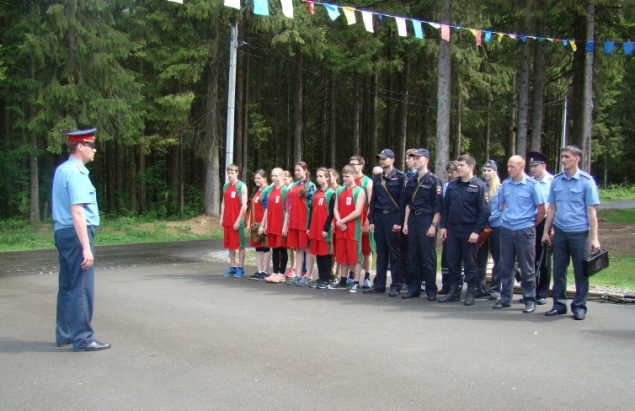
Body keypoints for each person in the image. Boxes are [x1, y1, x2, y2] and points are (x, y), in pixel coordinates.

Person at [52, 128, 110, 351]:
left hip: (63, 231)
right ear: (80, 147)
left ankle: (66, 332)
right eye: (91, 146)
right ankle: (84, 338)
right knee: (82, 287)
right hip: (77, 233)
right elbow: (77, 211)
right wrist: (86, 247)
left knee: (67, 285)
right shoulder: (76, 173)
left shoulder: (62, 170)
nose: (94, 151)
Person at [542, 145, 601, 321]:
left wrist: (594, 238)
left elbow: (591, 211)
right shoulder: (557, 181)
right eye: (562, 156)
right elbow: (552, 207)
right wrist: (546, 232)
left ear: (577, 159)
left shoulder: (586, 181)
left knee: (581, 271)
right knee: (559, 270)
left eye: (567, 156)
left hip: (579, 232)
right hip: (560, 232)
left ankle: (579, 306)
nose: (564, 160)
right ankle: (559, 305)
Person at [493, 156, 546, 313]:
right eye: (508, 166)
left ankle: (530, 299)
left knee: (527, 267)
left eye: (512, 167)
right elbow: (503, 205)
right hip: (507, 229)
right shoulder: (505, 185)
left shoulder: (532, 185)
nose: (509, 169)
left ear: (522, 167)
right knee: (506, 266)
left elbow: (542, 210)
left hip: (525, 230)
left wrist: (529, 224)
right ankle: (505, 299)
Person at [439, 154, 489, 305]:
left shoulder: (479, 185)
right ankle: (454, 291)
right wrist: (443, 226)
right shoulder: (453, 185)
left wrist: (476, 231)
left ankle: (471, 292)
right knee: (452, 261)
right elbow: (445, 207)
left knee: (470, 262)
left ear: (471, 167)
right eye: (458, 165)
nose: (458, 168)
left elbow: (484, 211)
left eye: (462, 166)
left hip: (469, 229)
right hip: (453, 229)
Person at [364, 149, 407, 297]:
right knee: (381, 252)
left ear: (392, 159)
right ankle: (379, 284)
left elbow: (402, 201)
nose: (382, 161)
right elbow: (373, 200)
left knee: (394, 253)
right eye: (380, 159)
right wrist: (372, 220)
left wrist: (399, 221)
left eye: (384, 158)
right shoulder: (377, 178)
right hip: (379, 217)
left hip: (393, 217)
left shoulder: (401, 177)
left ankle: (396, 284)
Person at [401, 148, 442, 300]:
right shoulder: (411, 180)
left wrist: (433, 225)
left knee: (428, 256)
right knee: (412, 255)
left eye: (418, 158)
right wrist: (405, 223)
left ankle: (431, 289)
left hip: (426, 219)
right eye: (414, 158)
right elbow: (407, 203)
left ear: (426, 160)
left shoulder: (433, 180)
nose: (415, 160)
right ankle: (414, 288)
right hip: (413, 219)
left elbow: (438, 206)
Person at [328, 165, 366, 293]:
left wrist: (343, 221)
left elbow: (358, 211)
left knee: (355, 256)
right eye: (343, 176)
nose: (345, 179)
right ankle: (342, 281)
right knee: (342, 255)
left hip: (352, 229)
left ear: (354, 176)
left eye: (347, 176)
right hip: (341, 228)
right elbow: (335, 208)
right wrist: (339, 221)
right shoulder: (340, 191)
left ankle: (356, 282)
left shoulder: (359, 191)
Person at [527, 151, 554, 305]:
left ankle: (542, 291)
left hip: (545, 223)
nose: (533, 169)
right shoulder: (529, 182)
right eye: (531, 166)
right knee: (530, 258)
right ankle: (530, 289)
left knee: (544, 259)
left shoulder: (552, 182)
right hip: (530, 223)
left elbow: (554, 207)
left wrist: (552, 228)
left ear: (543, 165)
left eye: (536, 165)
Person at [283, 162, 316, 286]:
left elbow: (312, 206)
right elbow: (288, 206)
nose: (297, 172)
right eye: (295, 170)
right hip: (294, 221)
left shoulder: (310, 186)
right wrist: (286, 223)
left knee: (307, 248)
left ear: (305, 170)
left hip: (304, 221)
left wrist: (309, 225)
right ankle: (298, 274)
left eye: (299, 170)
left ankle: (308, 274)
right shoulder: (293, 186)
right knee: (298, 248)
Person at [475, 160, 503, 300]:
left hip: (496, 226)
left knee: (499, 259)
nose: (486, 173)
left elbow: (502, 208)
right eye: (485, 170)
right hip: (482, 227)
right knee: (480, 258)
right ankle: (479, 288)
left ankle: (494, 289)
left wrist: (489, 219)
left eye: (489, 170)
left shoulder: (500, 188)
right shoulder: (479, 186)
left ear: (495, 172)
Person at [307, 168, 335, 289]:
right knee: (318, 253)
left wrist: (326, 229)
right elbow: (312, 211)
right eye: (317, 176)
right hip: (315, 227)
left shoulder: (331, 193)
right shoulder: (316, 193)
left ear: (327, 178)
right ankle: (320, 277)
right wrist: (309, 226)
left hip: (325, 228)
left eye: (321, 176)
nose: (318, 178)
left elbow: (331, 213)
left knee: (326, 253)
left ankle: (326, 278)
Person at [349, 155, 375, 289]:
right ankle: (352, 274)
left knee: (366, 249)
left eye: (355, 163)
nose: (352, 165)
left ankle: (367, 275)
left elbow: (371, 203)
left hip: (363, 219)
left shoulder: (367, 181)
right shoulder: (348, 181)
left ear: (361, 166)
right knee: (354, 248)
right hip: (351, 221)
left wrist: (367, 220)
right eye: (350, 163)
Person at [220, 164, 248, 277]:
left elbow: (244, 205)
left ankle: (241, 267)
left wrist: (238, 220)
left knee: (240, 245)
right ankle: (233, 266)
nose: (230, 175)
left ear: (237, 173)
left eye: (232, 173)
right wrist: (221, 217)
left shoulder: (241, 186)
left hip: (237, 220)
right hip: (227, 219)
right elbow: (223, 202)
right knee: (230, 244)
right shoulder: (226, 186)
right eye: (228, 173)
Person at [264, 168, 289, 284]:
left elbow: (287, 209)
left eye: (276, 176)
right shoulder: (270, 190)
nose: (274, 178)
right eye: (272, 175)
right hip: (272, 223)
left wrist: (285, 225)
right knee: (274, 248)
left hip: (280, 223)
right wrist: (266, 224)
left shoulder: (285, 190)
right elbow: (268, 208)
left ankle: (281, 273)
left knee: (282, 248)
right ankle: (274, 272)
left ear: (281, 176)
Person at [247, 169, 272, 281]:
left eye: (259, 178)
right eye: (255, 178)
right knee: (258, 247)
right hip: (254, 224)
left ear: (265, 178)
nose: (256, 180)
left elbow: (268, 208)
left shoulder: (267, 190)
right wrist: (249, 223)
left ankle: (265, 271)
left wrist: (264, 225)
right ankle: (260, 270)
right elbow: (251, 209)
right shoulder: (257, 191)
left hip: (263, 223)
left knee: (265, 246)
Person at [439, 161, 459, 295]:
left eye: (452, 172)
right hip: (449, 225)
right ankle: (446, 284)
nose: (450, 175)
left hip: (462, 226)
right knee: (447, 257)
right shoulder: (447, 186)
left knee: (458, 259)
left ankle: (457, 285)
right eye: (449, 173)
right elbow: (444, 207)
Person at [328, 168, 342, 282]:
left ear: (336, 177)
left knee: (338, 249)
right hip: (328, 223)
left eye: (331, 175)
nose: (329, 178)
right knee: (331, 249)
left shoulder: (340, 189)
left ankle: (338, 272)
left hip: (338, 221)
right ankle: (331, 271)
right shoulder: (325, 190)